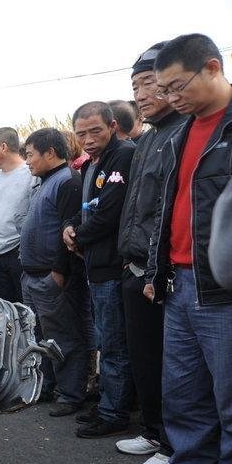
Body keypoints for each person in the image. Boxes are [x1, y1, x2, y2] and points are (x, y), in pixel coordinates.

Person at [138, 33, 232, 464]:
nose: (171, 98)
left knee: (229, 394)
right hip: (179, 281)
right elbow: (165, 213)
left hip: (223, 286)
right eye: (165, 89)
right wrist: (157, 271)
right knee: (185, 388)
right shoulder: (180, 135)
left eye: (178, 86)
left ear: (213, 68)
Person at [116, 42, 188, 464]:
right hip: (135, 266)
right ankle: (157, 431)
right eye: (136, 86)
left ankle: (178, 445)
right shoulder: (148, 138)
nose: (142, 94)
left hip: (165, 271)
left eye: (149, 83)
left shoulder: (186, 130)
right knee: (145, 358)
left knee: (175, 366)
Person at [63, 102, 136, 438]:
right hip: (95, 263)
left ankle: (114, 412)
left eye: (95, 131)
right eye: (81, 134)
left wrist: (79, 236)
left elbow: (110, 213)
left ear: (112, 126)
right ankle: (109, 402)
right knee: (108, 338)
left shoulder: (123, 155)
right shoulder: (91, 164)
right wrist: (70, 227)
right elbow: (87, 210)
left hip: (111, 265)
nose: (88, 139)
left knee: (113, 343)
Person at [20, 128, 93, 417]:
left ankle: (71, 394)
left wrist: (59, 272)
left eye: (30, 155)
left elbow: (68, 232)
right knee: (40, 336)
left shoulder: (67, 181)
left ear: (50, 153)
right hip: (33, 276)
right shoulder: (45, 181)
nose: (27, 161)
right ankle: (48, 384)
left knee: (63, 335)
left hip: (52, 276)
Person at [0, 127, 35, 302]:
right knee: (3, 310)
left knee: (26, 309)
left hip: (20, 254)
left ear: (3, 147)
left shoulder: (31, 174)